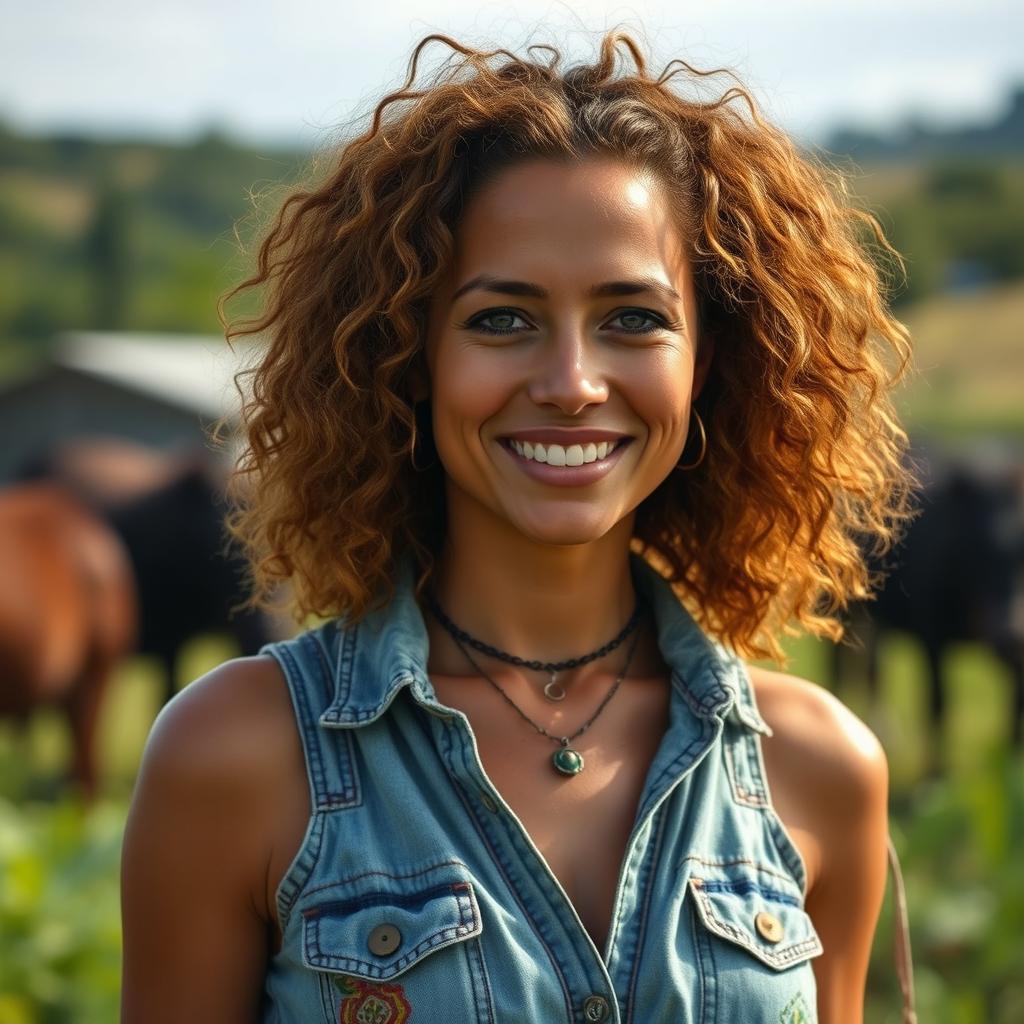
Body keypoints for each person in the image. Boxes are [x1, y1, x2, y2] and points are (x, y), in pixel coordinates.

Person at [120, 29, 920, 1024]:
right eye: (503, 319)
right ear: (409, 357)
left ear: (705, 363)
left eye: (633, 318)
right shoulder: (236, 754)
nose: (572, 383)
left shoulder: (820, 767)